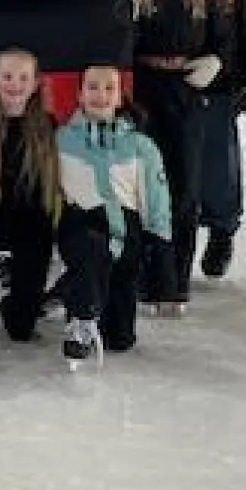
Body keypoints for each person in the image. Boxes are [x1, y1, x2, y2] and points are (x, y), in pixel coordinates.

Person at [112, 0, 226, 313]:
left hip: (185, 95)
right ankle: (143, 276)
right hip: (140, 95)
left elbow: (222, 38)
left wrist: (214, 61)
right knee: (142, 188)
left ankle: (174, 282)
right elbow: (110, 39)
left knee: (183, 189)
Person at [54, 64, 172, 363]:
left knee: (120, 340)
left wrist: (160, 256)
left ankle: (71, 294)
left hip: (126, 238)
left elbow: (156, 202)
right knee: (90, 247)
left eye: (109, 88)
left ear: (121, 97)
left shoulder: (141, 146)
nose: (101, 95)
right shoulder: (61, 140)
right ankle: (80, 316)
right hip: (81, 228)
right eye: (92, 87)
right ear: (80, 95)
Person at [0, 48, 65, 344]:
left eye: (24, 77)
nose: (15, 84)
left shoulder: (49, 127)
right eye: (7, 76)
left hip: (33, 222)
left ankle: (10, 282)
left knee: (21, 330)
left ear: (36, 82)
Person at [191, 0, 246, 278]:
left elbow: (242, 32)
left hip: (221, 87)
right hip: (177, 87)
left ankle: (221, 232)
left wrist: (243, 81)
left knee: (220, 165)